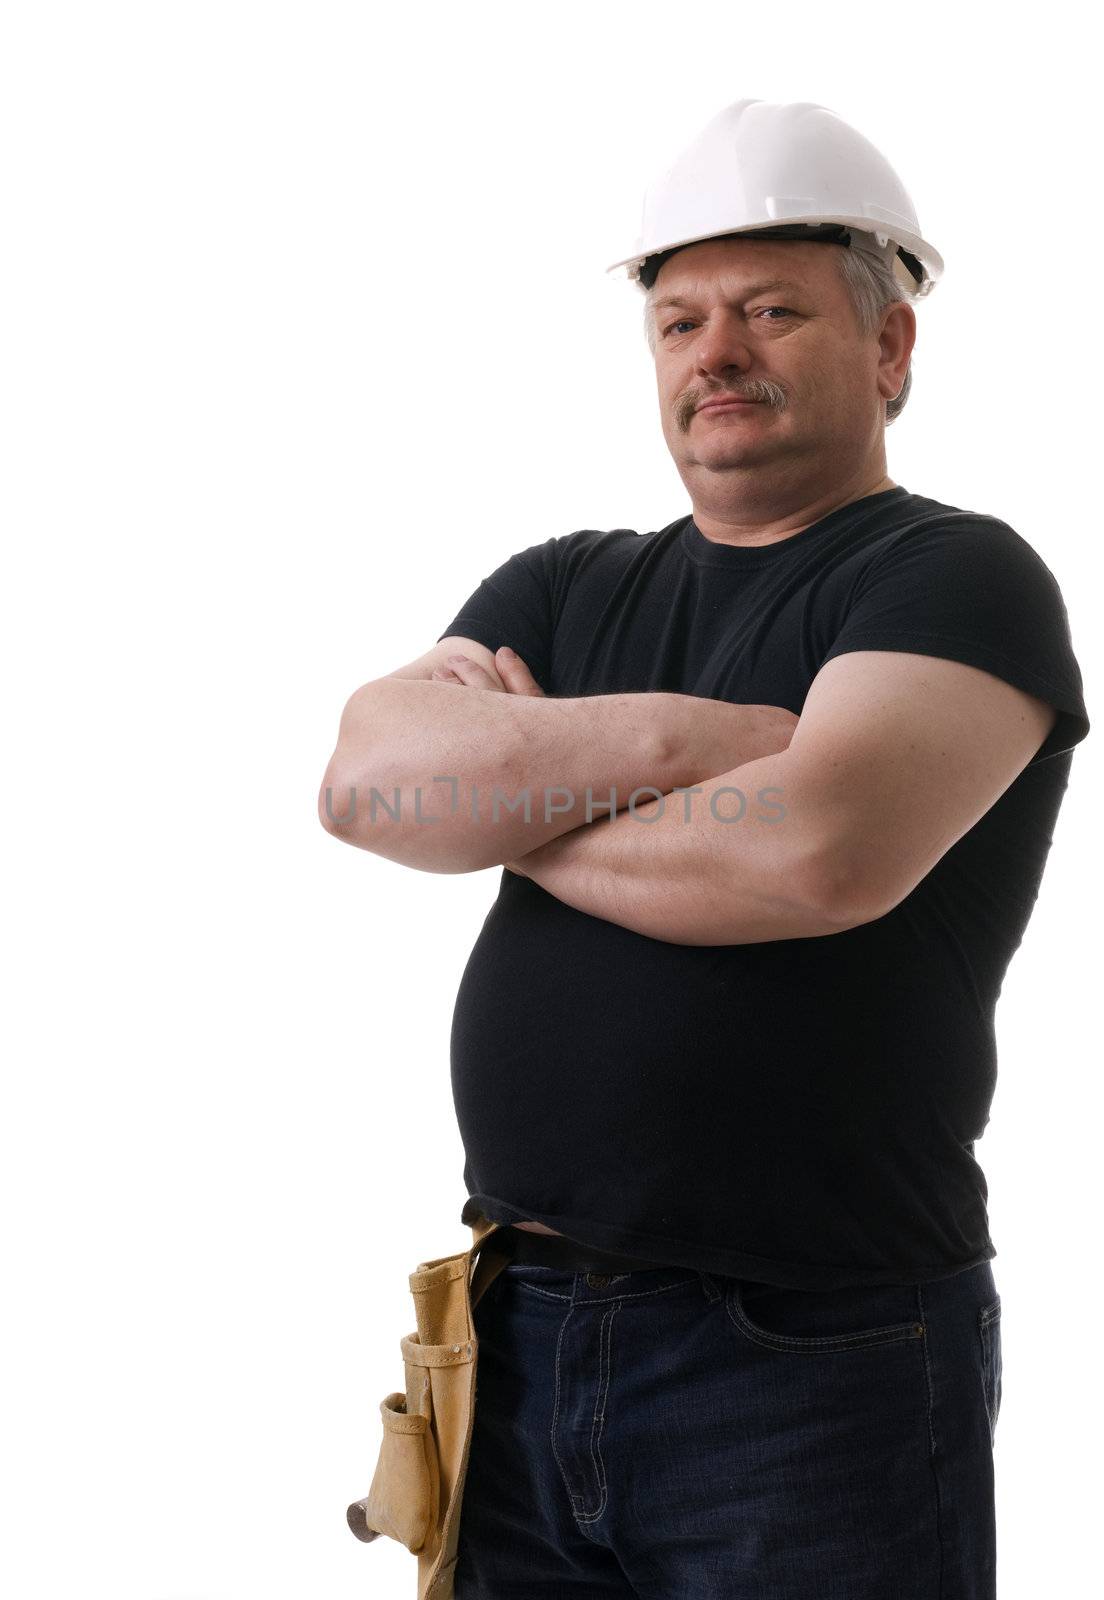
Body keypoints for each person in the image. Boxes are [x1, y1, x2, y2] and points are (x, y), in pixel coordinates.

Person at [319, 98, 1089, 1598]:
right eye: (678, 322)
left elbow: (814, 858)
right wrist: (688, 744)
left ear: (891, 351)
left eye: (769, 311)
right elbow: (365, 794)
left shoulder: (955, 579)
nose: (713, 353)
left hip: (809, 1353)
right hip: (514, 1329)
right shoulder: (561, 583)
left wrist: (523, 807)